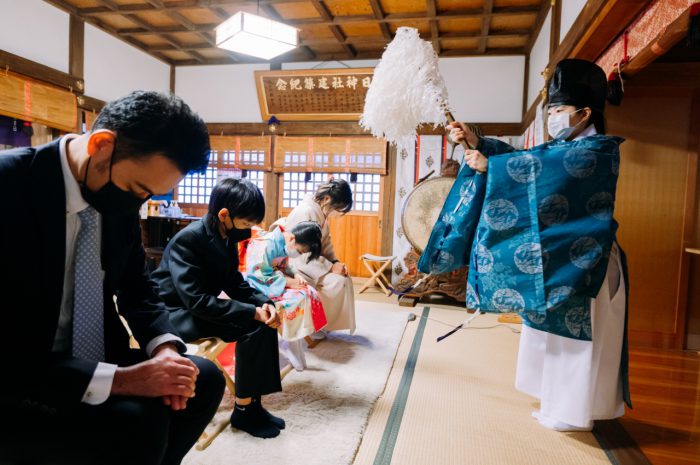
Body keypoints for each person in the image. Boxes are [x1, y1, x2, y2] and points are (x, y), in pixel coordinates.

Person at [0, 91, 225, 465]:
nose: (137, 204)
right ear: (102, 145)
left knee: (200, 378)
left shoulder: (113, 195)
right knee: (140, 421)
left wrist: (164, 351)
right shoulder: (9, 187)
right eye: (138, 190)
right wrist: (126, 381)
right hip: (21, 371)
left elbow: (138, 286)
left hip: (96, 352)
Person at [420, 59, 630, 432]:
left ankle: (574, 411)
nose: (553, 118)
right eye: (549, 111)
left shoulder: (597, 150)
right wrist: (477, 142)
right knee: (550, 337)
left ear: (585, 112)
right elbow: (530, 161)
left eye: (560, 111)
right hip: (558, 257)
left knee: (577, 345)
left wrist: (492, 168)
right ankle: (553, 401)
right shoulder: (562, 147)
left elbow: (542, 168)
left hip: (585, 261)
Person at [151, 178, 285, 439]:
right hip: (173, 313)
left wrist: (265, 304)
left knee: (263, 321)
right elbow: (196, 300)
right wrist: (250, 312)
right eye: (246, 223)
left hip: (197, 307)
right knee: (250, 322)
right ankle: (244, 410)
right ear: (224, 215)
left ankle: (253, 405)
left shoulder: (226, 235)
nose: (249, 229)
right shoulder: (188, 240)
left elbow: (234, 282)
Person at [245, 221, 327, 371]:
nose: (300, 254)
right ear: (292, 239)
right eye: (301, 252)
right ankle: (290, 340)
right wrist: (288, 282)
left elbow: (283, 266)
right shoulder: (266, 243)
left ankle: (294, 338)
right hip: (257, 285)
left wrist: (295, 275)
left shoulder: (284, 242)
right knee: (294, 301)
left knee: (308, 293)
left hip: (276, 282)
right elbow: (257, 273)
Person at [284, 178, 356, 337]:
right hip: (297, 262)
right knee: (336, 282)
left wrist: (336, 262)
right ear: (327, 199)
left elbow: (325, 242)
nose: (335, 212)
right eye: (337, 208)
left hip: (313, 261)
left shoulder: (319, 211)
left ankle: (323, 323)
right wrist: (330, 267)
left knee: (343, 278)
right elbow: (301, 249)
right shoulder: (306, 211)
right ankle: (313, 325)